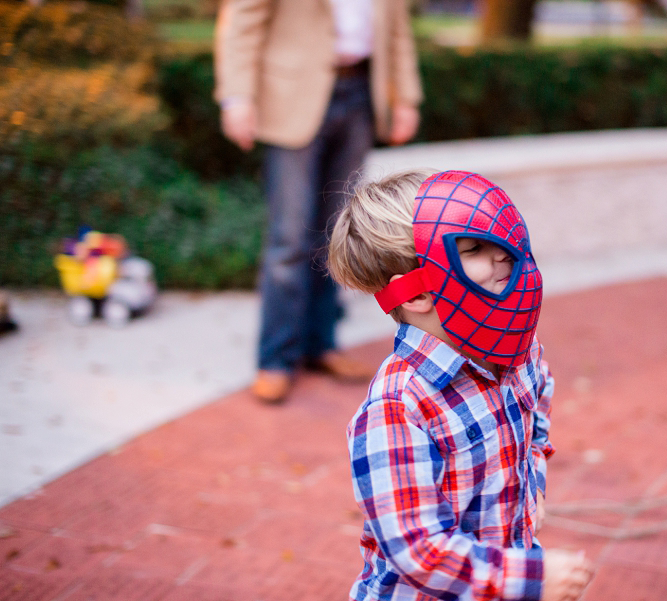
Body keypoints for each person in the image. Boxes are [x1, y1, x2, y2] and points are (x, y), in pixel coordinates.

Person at [327, 170, 595, 601]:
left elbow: (538, 403)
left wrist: (535, 481)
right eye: (474, 249)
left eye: (498, 242)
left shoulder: (517, 351)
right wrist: (529, 580)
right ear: (416, 295)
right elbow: (418, 549)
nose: (504, 259)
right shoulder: (397, 408)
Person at [213, 0, 423, 404]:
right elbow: (242, 18)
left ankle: (321, 344)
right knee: (289, 238)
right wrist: (236, 97)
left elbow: (397, 28)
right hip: (292, 95)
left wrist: (406, 97)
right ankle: (275, 359)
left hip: (362, 92)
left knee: (339, 234)